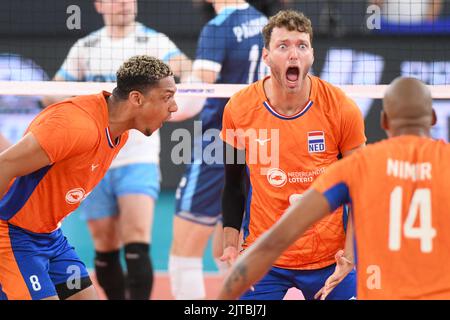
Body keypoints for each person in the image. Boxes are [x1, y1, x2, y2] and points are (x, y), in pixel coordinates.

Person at [218, 76, 450, 300]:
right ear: (432, 118)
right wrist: (348, 258)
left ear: (384, 121)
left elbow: (276, 240)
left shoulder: (357, 167)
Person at [0, 55, 178, 300]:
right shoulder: (75, 126)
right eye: (167, 97)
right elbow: (4, 166)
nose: (174, 107)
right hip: (11, 234)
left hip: (50, 237)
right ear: (136, 98)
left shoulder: (118, 134)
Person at [48, 0, 191, 300]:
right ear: (100, 5)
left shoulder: (154, 41)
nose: (126, 4)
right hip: (94, 159)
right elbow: (52, 91)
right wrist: (85, 103)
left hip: (139, 158)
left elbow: (187, 70)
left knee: (137, 239)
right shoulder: (86, 47)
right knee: (105, 245)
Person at [219, 10, 366, 300]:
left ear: (311, 54)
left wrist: (348, 258)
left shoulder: (341, 108)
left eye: (301, 46)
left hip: (329, 259)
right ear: (266, 56)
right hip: (264, 257)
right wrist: (230, 246)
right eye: (283, 46)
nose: (293, 55)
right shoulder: (238, 108)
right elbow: (233, 184)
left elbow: (360, 191)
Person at [168, 0, 268, 300]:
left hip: (219, 144)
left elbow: (195, 97)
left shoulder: (217, 28)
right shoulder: (265, 22)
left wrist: (155, 109)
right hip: (262, 144)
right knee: (230, 246)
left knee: (184, 252)